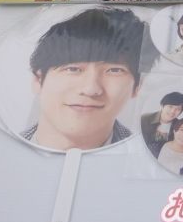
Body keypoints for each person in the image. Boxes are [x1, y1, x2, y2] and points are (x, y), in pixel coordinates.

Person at [22, 8, 157, 151]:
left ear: (137, 86)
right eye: (72, 69)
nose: (91, 89)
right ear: (38, 79)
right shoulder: (4, 154)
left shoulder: (151, 159)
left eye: (114, 70)